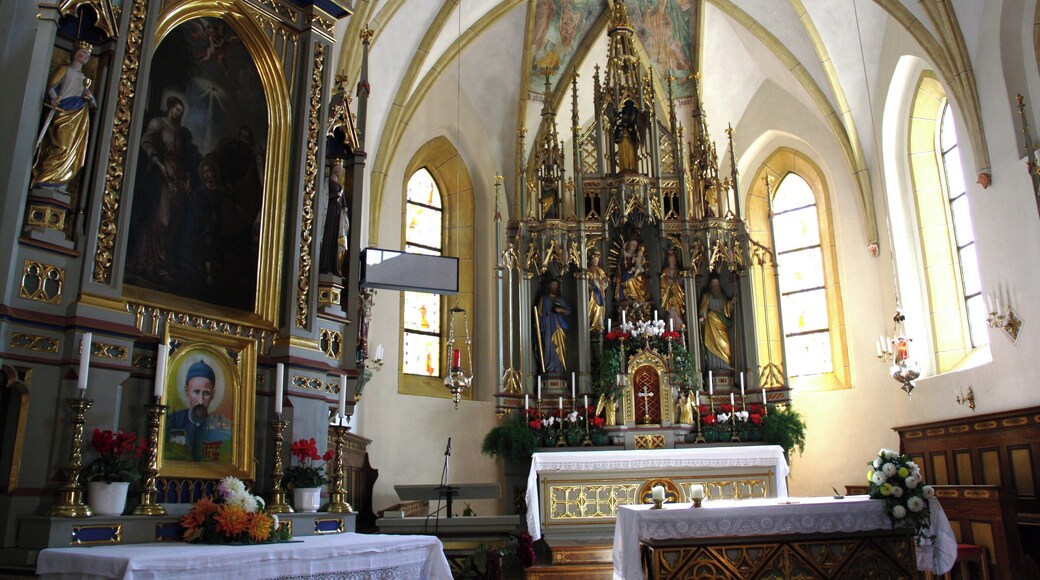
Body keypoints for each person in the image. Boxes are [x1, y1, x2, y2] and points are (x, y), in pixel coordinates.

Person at [128, 96, 200, 284]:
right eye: (177, 110)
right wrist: (160, 165)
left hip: (177, 177)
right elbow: (146, 142)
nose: (179, 114)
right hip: (160, 174)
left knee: (173, 221)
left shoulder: (181, 133)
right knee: (161, 219)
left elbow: (185, 158)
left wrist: (187, 176)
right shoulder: (158, 123)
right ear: (170, 107)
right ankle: (148, 262)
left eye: (181, 112)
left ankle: (162, 265)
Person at [31, 43, 96, 190]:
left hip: (78, 113)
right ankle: (46, 177)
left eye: (88, 55)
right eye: (83, 52)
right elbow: (51, 86)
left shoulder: (84, 78)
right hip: (62, 110)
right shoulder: (65, 69)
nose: (85, 57)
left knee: (70, 149)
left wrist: (90, 97)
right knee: (61, 146)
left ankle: (60, 181)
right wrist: (54, 98)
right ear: (75, 53)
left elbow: (93, 104)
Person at [165, 360, 232, 462]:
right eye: (196, 392)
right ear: (187, 391)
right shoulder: (171, 421)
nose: (200, 401)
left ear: (213, 394)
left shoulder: (220, 427)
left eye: (206, 393)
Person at [698, 274, 737, 370]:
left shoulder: (722, 296)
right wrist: (703, 317)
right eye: (713, 283)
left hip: (722, 323)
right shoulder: (707, 296)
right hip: (711, 325)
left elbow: (727, 309)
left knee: (725, 345)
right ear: (710, 284)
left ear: (719, 284)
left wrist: (731, 303)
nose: (715, 285)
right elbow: (703, 309)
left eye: (716, 283)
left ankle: (726, 364)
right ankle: (713, 366)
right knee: (712, 344)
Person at [319, 160, 349, 277]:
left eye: (341, 168)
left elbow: (343, 203)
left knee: (335, 241)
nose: (340, 170)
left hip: (337, 217)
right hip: (329, 214)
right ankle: (325, 266)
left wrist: (344, 208)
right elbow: (324, 196)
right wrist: (335, 196)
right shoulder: (328, 182)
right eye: (338, 167)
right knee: (328, 238)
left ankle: (334, 267)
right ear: (334, 168)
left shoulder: (340, 186)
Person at [535, 276, 571, 373]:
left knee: (559, 346)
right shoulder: (544, 298)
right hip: (547, 325)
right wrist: (539, 317)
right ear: (549, 286)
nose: (554, 287)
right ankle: (548, 368)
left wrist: (561, 310)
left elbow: (568, 311)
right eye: (553, 285)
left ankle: (559, 369)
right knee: (548, 345)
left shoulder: (561, 299)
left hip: (559, 326)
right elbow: (539, 312)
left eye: (556, 285)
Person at [615, 238, 651, 307]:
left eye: (635, 245)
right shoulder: (623, 255)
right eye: (632, 244)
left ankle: (639, 298)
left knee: (641, 278)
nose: (634, 246)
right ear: (628, 245)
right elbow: (620, 265)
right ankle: (629, 297)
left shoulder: (637, 255)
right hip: (626, 273)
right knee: (630, 280)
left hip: (636, 272)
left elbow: (642, 264)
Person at [613, 99, 645, 173]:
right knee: (623, 156)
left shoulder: (631, 127)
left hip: (630, 145)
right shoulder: (620, 126)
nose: (625, 117)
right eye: (624, 116)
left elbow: (635, 138)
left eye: (626, 116)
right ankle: (624, 168)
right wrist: (621, 133)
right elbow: (616, 137)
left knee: (631, 156)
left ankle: (632, 168)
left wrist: (629, 133)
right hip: (622, 145)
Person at [660, 249, 686, 326]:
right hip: (670, 292)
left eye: (674, 259)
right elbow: (663, 281)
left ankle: (679, 326)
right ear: (668, 261)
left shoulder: (678, 270)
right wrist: (668, 280)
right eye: (671, 259)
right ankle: (671, 327)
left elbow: (682, 280)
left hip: (678, 293)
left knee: (678, 309)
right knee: (671, 309)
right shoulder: (666, 270)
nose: (672, 261)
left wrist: (678, 280)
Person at [587, 249, 609, 333]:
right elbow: (586, 282)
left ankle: (600, 325)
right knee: (592, 308)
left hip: (600, 292)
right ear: (591, 261)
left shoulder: (600, 270)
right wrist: (591, 285)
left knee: (601, 308)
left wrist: (605, 281)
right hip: (592, 293)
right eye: (594, 261)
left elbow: (605, 282)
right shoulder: (588, 271)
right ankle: (592, 326)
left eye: (597, 261)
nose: (595, 262)